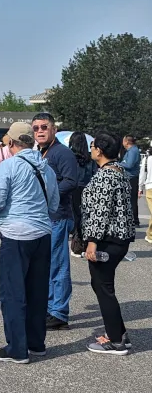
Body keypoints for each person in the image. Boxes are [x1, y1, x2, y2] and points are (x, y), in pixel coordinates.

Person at [0, 122, 60, 364]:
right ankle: (36, 343)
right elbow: (54, 205)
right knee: (37, 291)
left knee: (13, 292)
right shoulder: (46, 168)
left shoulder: (9, 165)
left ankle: (17, 348)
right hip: (42, 233)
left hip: (15, 234)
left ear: (11, 143)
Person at [81, 132, 136, 355]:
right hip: (119, 238)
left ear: (100, 150)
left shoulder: (105, 176)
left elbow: (100, 212)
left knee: (103, 286)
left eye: (93, 145)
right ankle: (119, 333)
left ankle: (116, 340)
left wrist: (92, 242)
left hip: (107, 239)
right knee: (102, 285)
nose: (91, 148)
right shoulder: (119, 171)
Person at [32, 112, 79, 331]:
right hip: (42, 217)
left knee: (58, 264)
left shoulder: (62, 153)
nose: (39, 131)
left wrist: (48, 194)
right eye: (36, 128)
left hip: (59, 216)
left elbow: (71, 181)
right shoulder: (38, 152)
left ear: (53, 130)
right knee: (45, 264)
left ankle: (59, 311)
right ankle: (49, 307)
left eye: (44, 127)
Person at [68, 132, 97, 259]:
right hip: (87, 189)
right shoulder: (90, 159)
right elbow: (94, 174)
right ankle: (82, 244)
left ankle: (76, 245)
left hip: (72, 189)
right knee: (84, 217)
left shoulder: (68, 157)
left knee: (74, 216)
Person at [120, 135, 140, 226]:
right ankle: (132, 219)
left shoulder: (133, 151)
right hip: (129, 177)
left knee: (132, 200)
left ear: (127, 142)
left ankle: (134, 220)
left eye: (123, 140)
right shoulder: (131, 151)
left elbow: (129, 164)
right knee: (130, 199)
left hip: (132, 177)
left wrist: (119, 164)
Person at [139, 150, 152, 244]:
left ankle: (150, 234)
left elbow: (142, 174)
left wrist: (140, 187)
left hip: (149, 187)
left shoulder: (147, 159)